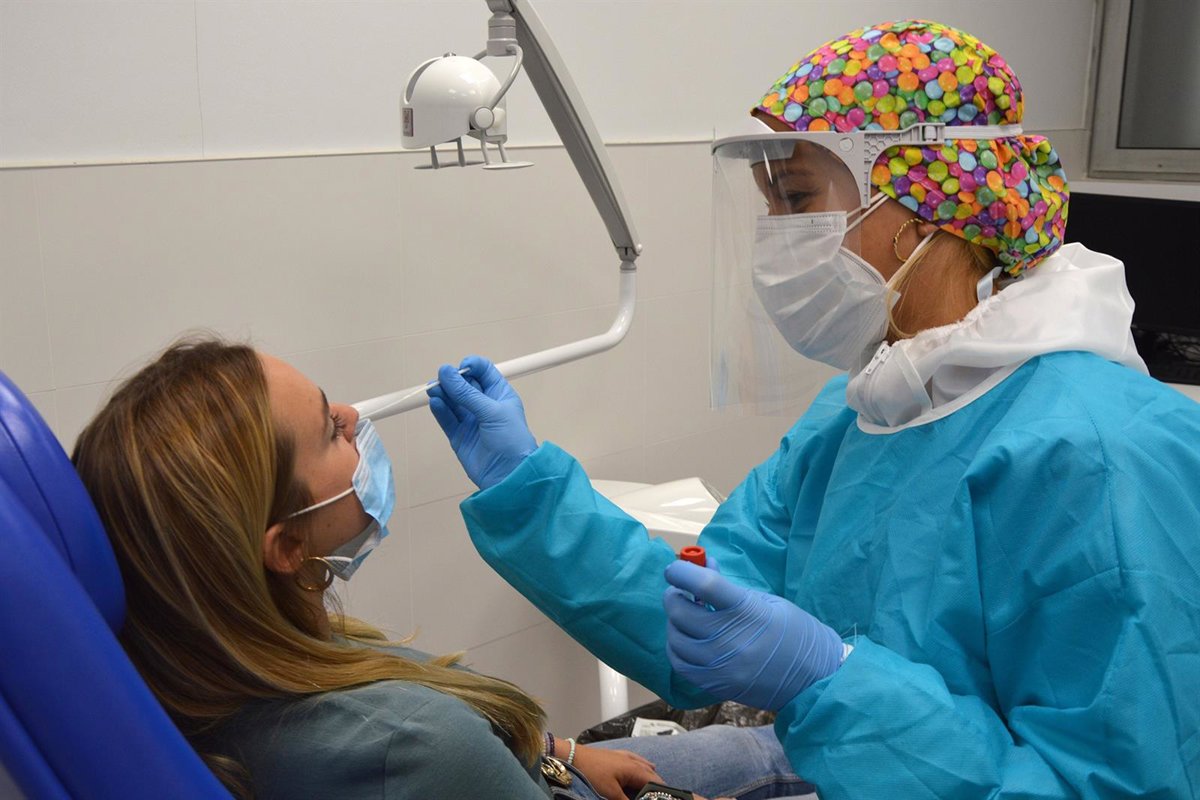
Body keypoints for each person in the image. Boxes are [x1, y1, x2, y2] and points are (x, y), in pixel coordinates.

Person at [427, 19, 1200, 799]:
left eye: (798, 199)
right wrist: (529, 492)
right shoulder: (860, 414)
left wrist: (830, 681)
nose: (779, 239)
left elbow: (1116, 781)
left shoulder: (1104, 452)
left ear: (928, 207)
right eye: (770, 205)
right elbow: (698, 617)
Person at [72, 337, 811, 800]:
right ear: (286, 548)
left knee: (788, 749)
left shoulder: (220, 655)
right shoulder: (412, 742)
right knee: (816, 756)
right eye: (329, 428)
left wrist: (565, 755)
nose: (353, 416)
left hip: (550, 771)